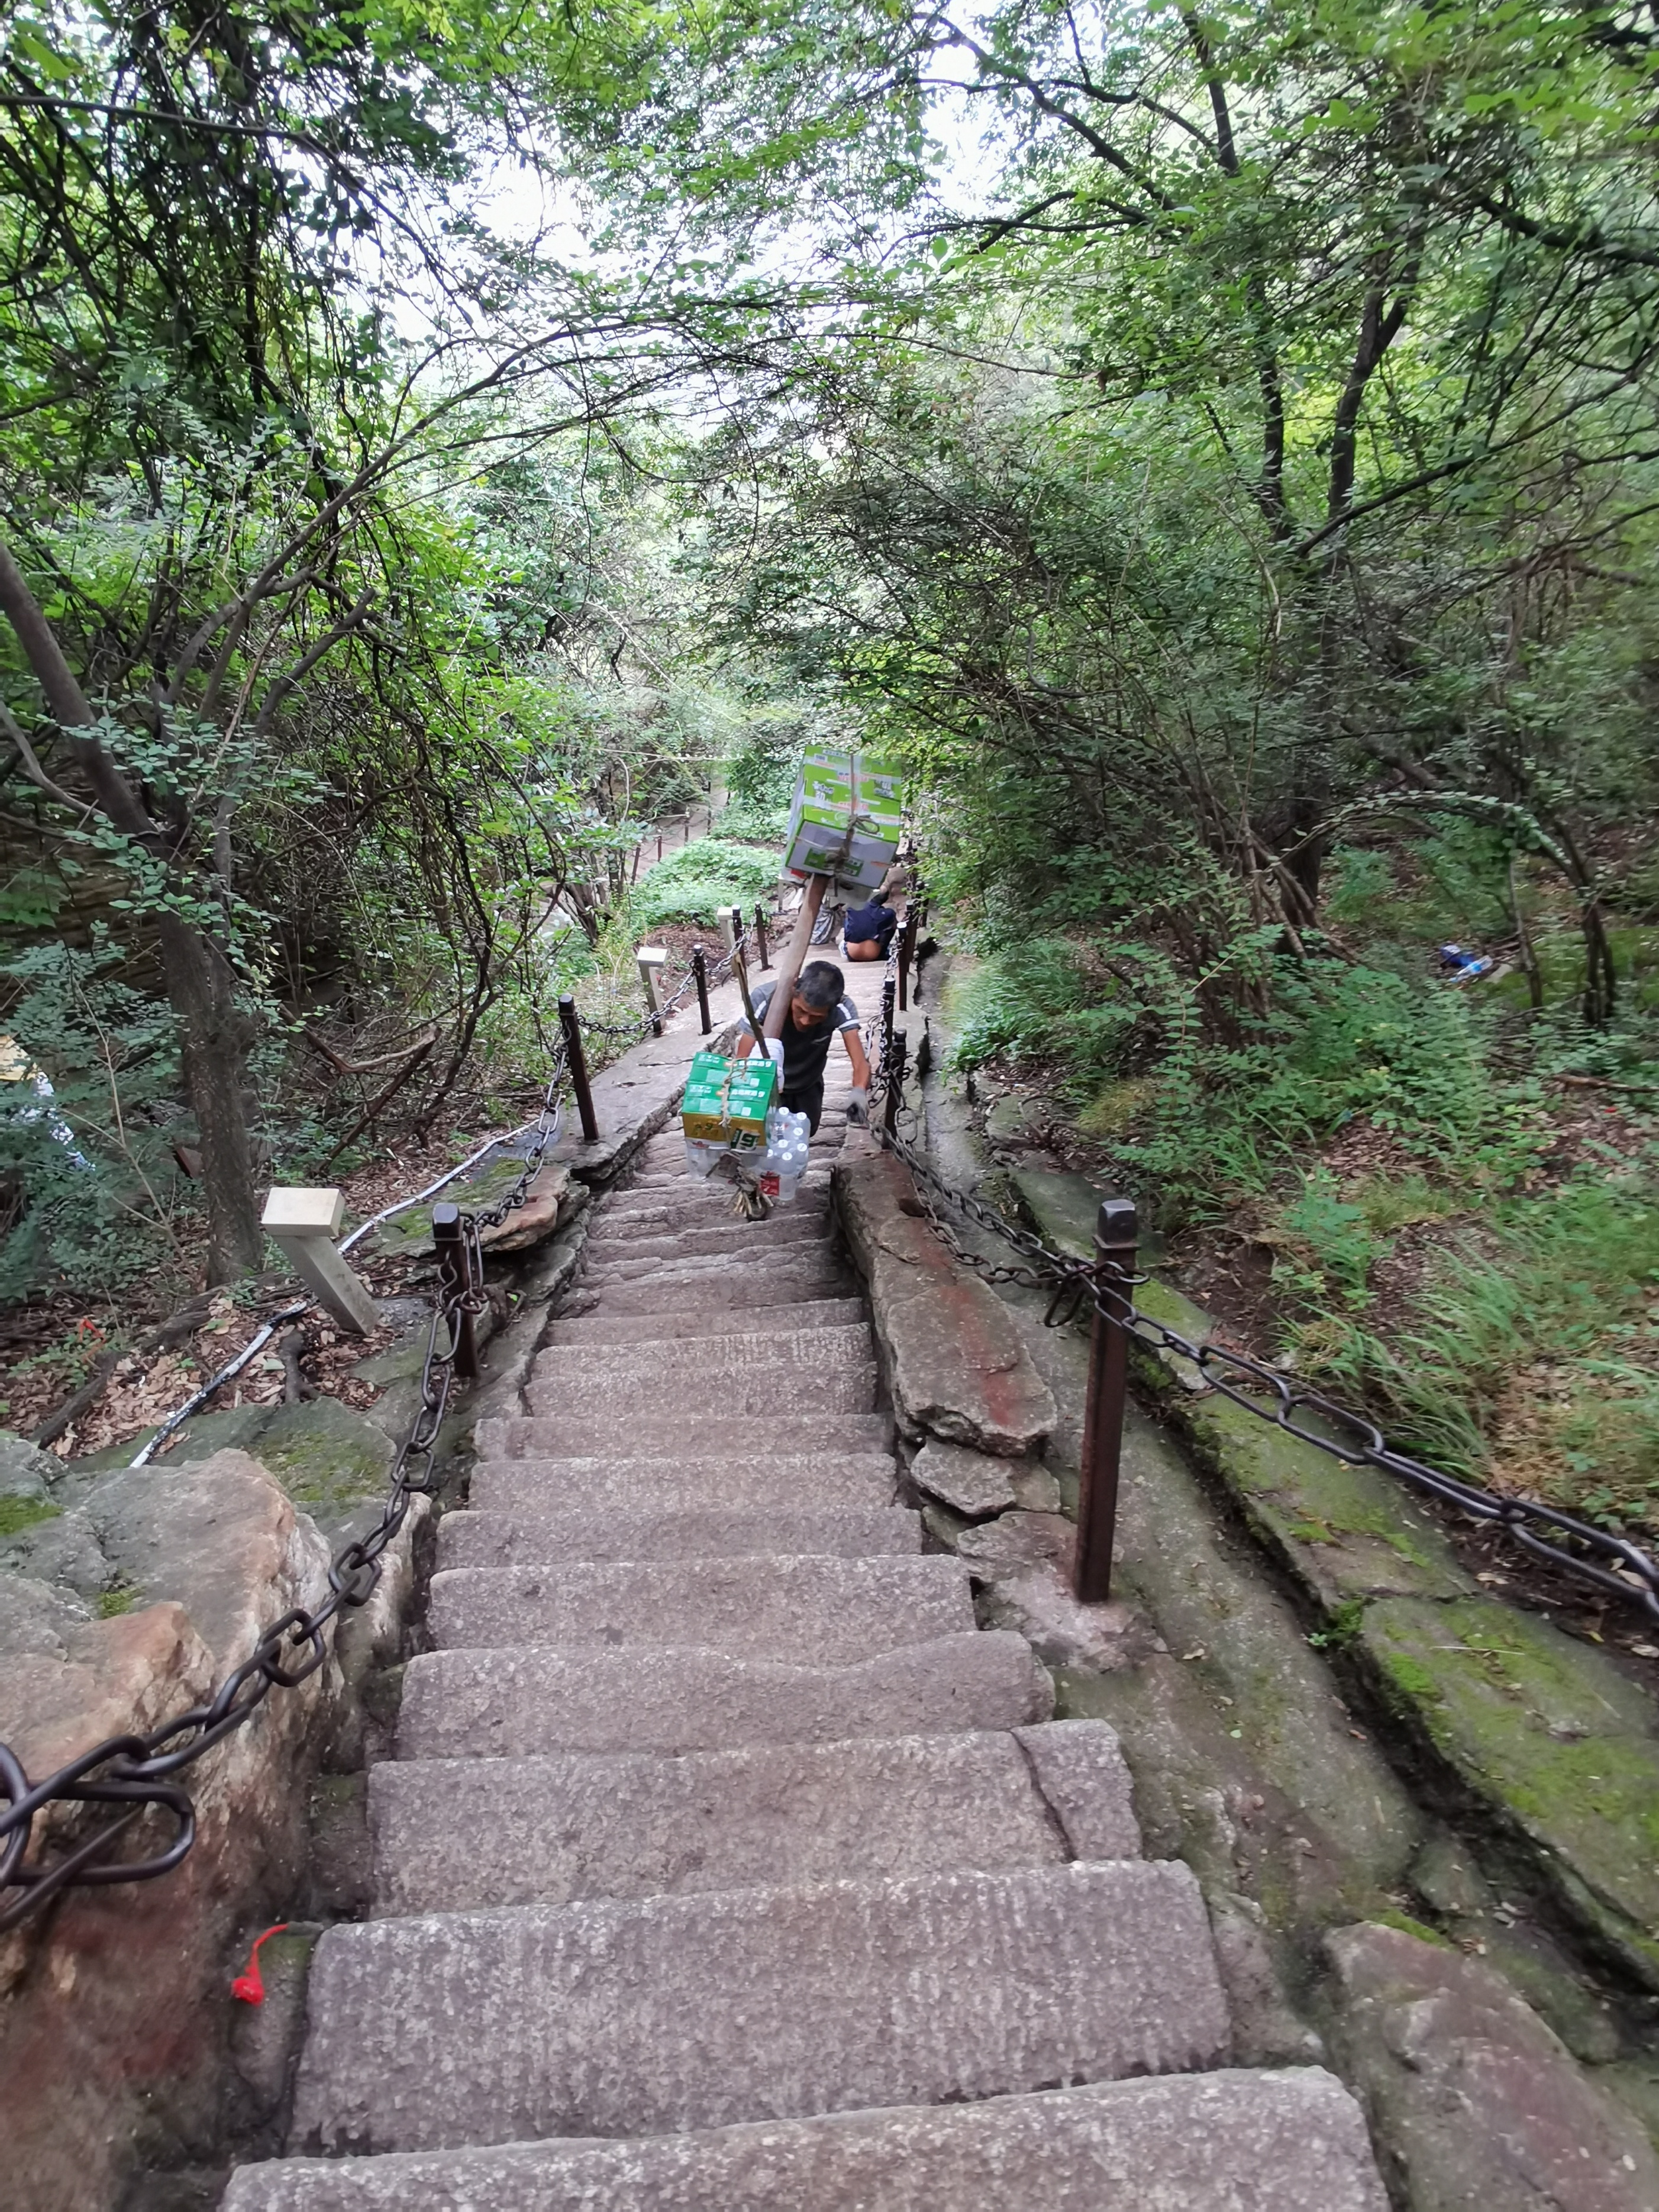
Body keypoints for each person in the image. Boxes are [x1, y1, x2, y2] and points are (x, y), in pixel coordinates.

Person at [738, 960, 870, 1131]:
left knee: (805, 1132)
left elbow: (859, 1061)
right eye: (801, 1010)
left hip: (807, 1084)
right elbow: (743, 1057)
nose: (805, 1021)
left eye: (816, 1017)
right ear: (794, 991)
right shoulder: (765, 998)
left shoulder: (842, 1009)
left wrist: (859, 1091)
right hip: (767, 1085)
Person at [843, 888, 898, 963]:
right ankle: (885, 951)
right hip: (875, 954)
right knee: (890, 924)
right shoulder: (886, 913)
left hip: (851, 954)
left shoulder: (852, 910)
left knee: (850, 920)